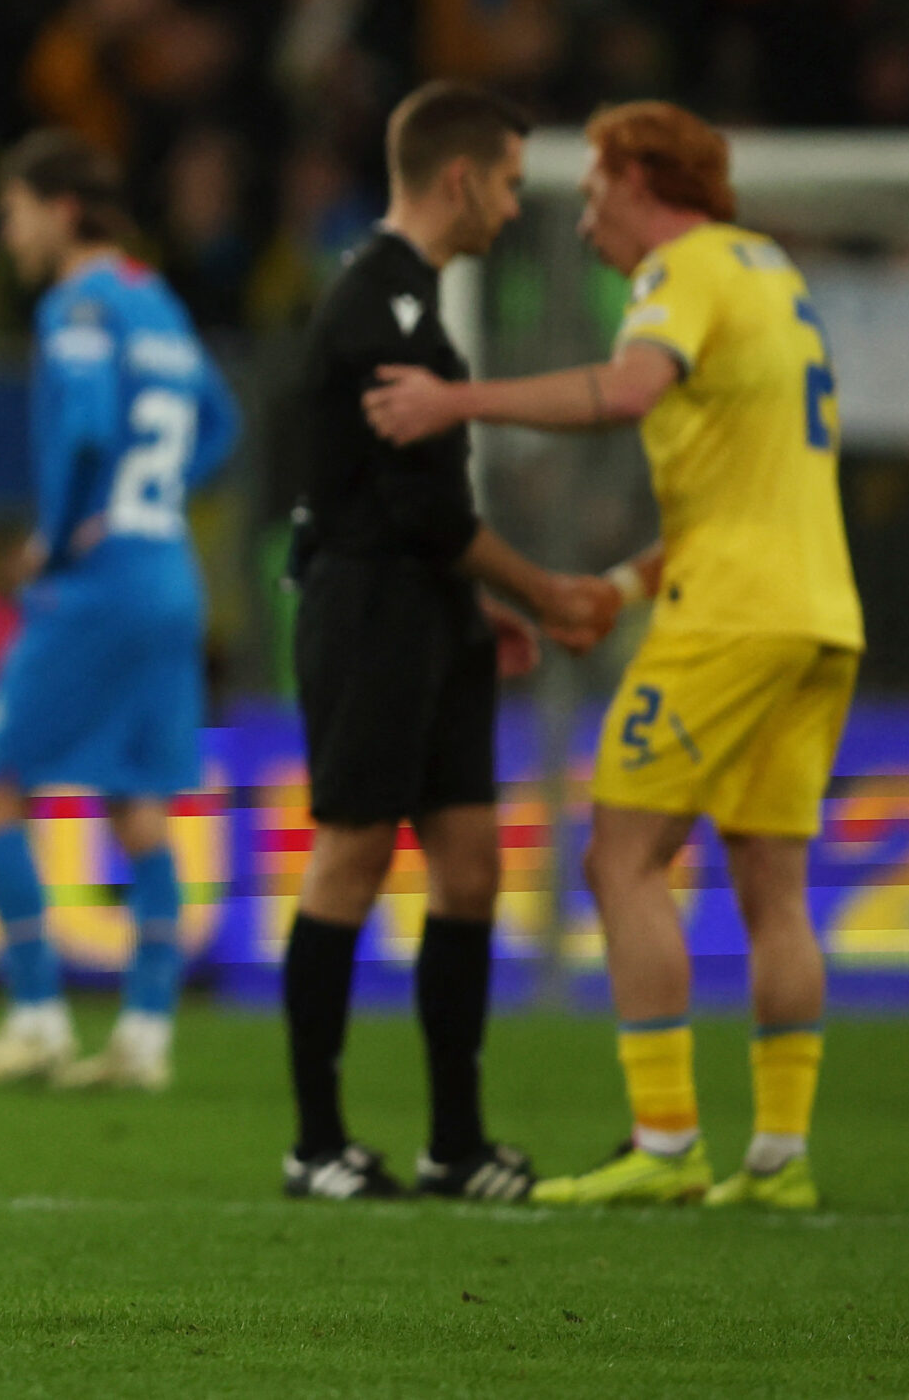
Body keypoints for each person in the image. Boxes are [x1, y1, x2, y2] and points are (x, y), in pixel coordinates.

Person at [365, 100, 859, 1211]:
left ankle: (666, 1140)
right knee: (772, 884)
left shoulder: (681, 269)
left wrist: (459, 401)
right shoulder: (767, 269)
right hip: (817, 612)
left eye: (591, 189)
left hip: (728, 618)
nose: (583, 218)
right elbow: (747, 487)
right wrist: (623, 584)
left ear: (638, 175)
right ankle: (778, 1158)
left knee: (620, 855)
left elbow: (627, 388)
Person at [282, 82, 617, 1202]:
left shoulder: (419, 305)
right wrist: (543, 586)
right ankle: (316, 1139)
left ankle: (454, 1142)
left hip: (433, 611)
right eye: (512, 184)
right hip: (369, 603)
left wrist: (488, 607)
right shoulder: (372, 305)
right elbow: (419, 509)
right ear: (459, 178)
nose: (517, 208)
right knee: (354, 853)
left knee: (470, 864)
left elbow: (434, 514)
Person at [0, 131, 237, 1096]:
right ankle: (143, 1036)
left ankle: (37, 1020)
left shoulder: (78, 305)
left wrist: (57, 538)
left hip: (96, 589)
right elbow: (223, 422)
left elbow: (91, 424)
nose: (9, 235)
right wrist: (154, 500)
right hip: (171, 576)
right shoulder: (158, 304)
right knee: (140, 810)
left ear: (61, 208)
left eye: (13, 213)